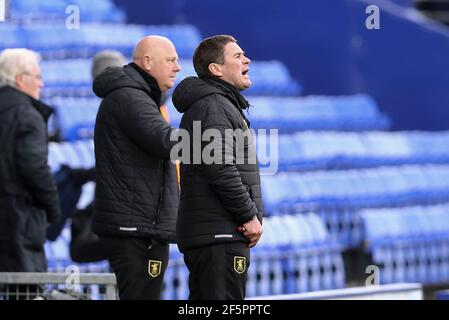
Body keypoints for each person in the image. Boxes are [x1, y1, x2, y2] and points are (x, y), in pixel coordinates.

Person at [172, 35, 264, 300]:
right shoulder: (214, 106)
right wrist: (248, 215)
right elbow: (220, 167)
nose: (246, 60)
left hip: (214, 234)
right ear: (216, 69)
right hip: (221, 235)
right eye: (237, 56)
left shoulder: (216, 104)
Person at [92, 36, 181, 300]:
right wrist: (215, 141)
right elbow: (168, 142)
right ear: (147, 62)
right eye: (171, 60)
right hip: (136, 229)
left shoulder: (137, 95)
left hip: (139, 226)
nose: (177, 67)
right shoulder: (131, 97)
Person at [0, 48, 61, 297]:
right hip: (20, 220)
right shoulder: (28, 115)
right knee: (25, 292)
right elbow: (34, 167)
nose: (41, 83)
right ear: (19, 79)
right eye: (36, 76)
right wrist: (53, 207)